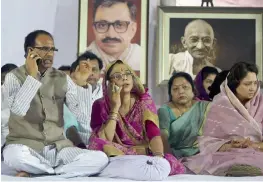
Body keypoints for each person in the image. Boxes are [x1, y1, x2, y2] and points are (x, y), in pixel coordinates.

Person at [2, 30, 108, 177]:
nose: (50, 53)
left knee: (99, 159)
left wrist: (81, 85)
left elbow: (83, 118)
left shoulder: (62, 78)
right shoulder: (13, 77)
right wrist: (32, 77)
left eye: (52, 49)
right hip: (25, 146)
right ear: (30, 51)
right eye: (45, 49)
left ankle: (45, 173)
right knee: (12, 155)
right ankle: (55, 173)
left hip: (58, 148)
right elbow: (18, 110)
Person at [88, 60, 185, 180]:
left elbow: (154, 134)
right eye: (117, 75)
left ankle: (123, 168)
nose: (124, 78)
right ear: (109, 83)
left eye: (127, 73)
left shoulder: (143, 101)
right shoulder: (100, 105)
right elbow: (104, 139)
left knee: (165, 163)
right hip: (116, 154)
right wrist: (115, 107)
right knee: (99, 146)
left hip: (142, 155)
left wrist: (158, 158)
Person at [183, 62, 263, 176]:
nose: (253, 88)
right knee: (231, 161)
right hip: (230, 154)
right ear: (235, 84)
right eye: (247, 84)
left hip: (258, 151)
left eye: (255, 83)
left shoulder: (261, 104)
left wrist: (254, 145)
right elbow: (208, 141)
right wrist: (230, 145)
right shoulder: (220, 105)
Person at [158, 72, 210, 159]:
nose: (181, 91)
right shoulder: (165, 110)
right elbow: (163, 136)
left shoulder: (204, 107)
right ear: (170, 93)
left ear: (193, 89)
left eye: (185, 87)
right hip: (176, 157)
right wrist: (170, 160)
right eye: (175, 89)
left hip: (204, 154)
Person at [87, 0, 141, 71]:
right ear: (94, 28)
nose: (111, 34)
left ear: (133, 29)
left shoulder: (144, 58)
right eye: (102, 25)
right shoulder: (82, 58)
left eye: (119, 25)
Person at [65, 51, 104, 147]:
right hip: (74, 143)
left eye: (94, 69)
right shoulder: (69, 89)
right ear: (76, 70)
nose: (90, 73)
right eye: (85, 69)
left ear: (100, 73)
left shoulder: (107, 92)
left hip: (102, 142)